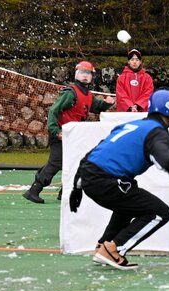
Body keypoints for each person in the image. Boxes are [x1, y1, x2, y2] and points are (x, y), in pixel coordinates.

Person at [69, 89, 169, 270]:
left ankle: (103, 246)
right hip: (105, 179)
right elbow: (167, 161)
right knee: (160, 212)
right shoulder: (157, 132)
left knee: (129, 201)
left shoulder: (131, 125)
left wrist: (77, 186)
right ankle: (114, 250)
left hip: (91, 175)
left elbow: (90, 155)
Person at [22, 61, 115, 204]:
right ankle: (34, 190)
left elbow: (97, 107)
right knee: (56, 163)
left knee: (75, 163)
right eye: (82, 73)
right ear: (77, 75)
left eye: (88, 73)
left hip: (73, 136)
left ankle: (64, 192)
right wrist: (55, 131)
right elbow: (54, 111)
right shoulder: (70, 93)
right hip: (60, 134)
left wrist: (108, 103)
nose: (85, 76)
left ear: (92, 77)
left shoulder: (88, 95)